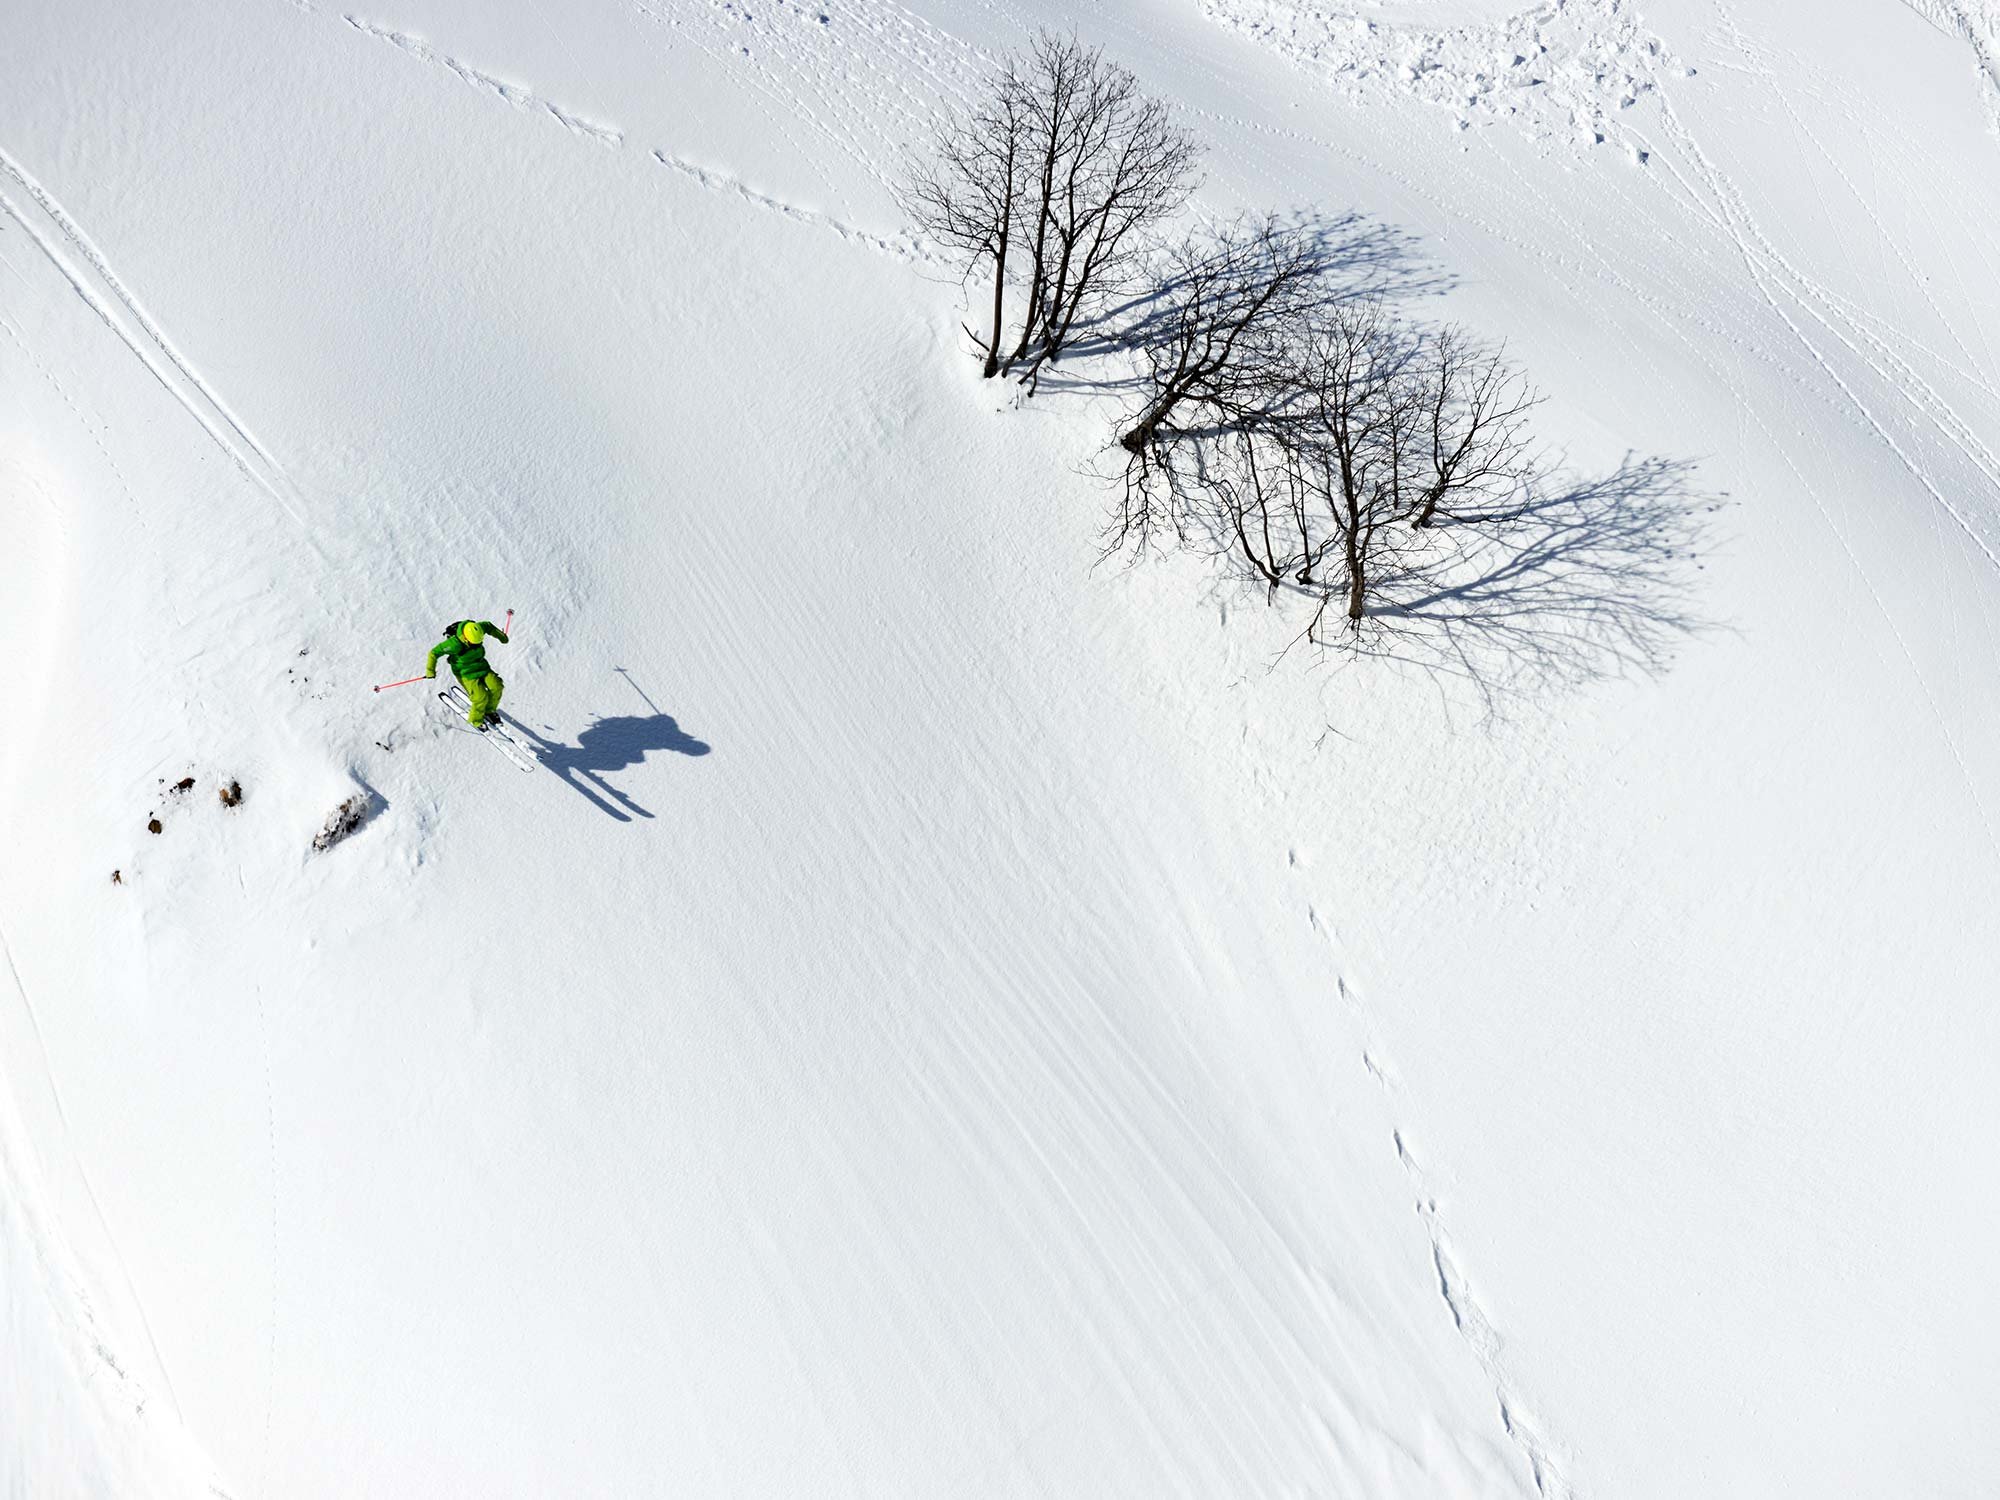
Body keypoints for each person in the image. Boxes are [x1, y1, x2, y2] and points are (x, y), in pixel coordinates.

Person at [426, 618, 510, 727]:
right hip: (465, 673)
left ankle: (489, 711)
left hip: (481, 666)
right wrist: (430, 671)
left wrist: (502, 637)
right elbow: (434, 653)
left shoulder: (478, 628)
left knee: (497, 686)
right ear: (465, 639)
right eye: (473, 644)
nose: (476, 646)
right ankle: (476, 721)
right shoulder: (454, 644)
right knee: (480, 697)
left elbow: (489, 626)